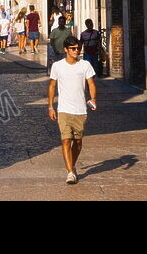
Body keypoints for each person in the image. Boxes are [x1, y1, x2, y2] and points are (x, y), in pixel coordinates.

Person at [48, 35, 97, 184]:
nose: (77, 51)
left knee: (78, 142)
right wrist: (51, 106)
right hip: (63, 109)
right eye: (73, 48)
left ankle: (72, 165)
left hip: (80, 110)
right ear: (66, 49)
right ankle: (70, 172)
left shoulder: (85, 65)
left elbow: (91, 84)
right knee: (65, 140)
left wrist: (93, 98)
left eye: (78, 48)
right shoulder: (57, 66)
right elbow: (52, 86)